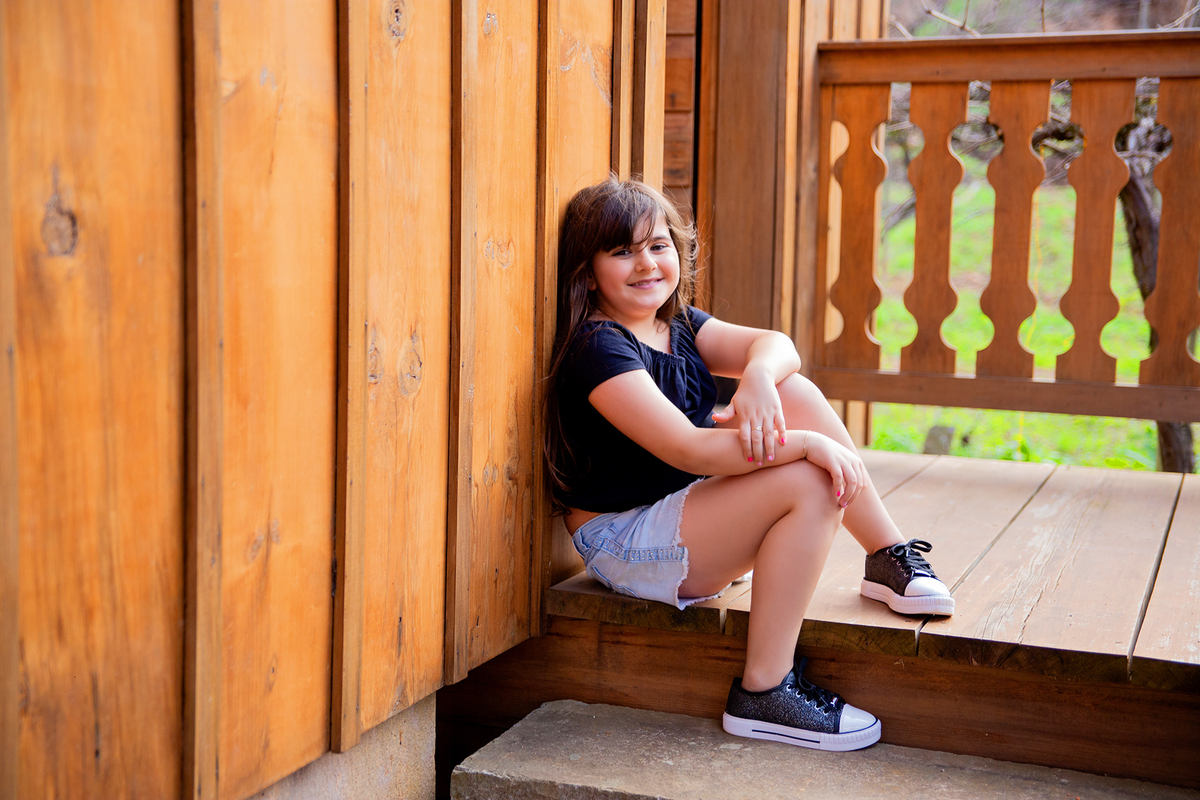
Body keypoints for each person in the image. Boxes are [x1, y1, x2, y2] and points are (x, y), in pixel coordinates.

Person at [545, 177, 954, 752]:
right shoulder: (598, 347)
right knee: (810, 480)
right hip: (624, 538)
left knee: (797, 393)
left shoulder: (676, 323)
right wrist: (807, 446)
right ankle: (764, 690)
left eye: (657, 245)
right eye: (621, 252)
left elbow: (779, 344)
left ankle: (887, 557)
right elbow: (688, 448)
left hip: (679, 508)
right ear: (588, 271)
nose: (646, 264)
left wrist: (760, 376)